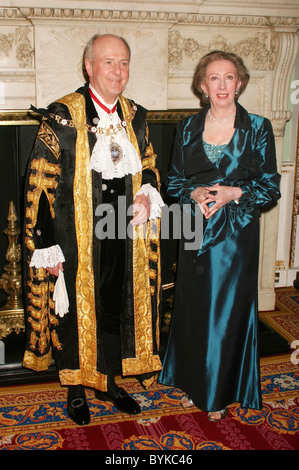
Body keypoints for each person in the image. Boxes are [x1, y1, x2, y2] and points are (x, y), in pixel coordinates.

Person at [23, 34, 164, 426]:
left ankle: (112, 381)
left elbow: (149, 161)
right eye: (108, 63)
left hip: (125, 234)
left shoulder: (135, 114)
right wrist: (48, 247)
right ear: (89, 66)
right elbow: (39, 185)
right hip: (77, 237)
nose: (117, 72)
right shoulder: (62, 114)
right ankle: (76, 389)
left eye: (123, 63)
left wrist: (147, 190)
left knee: (116, 305)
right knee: (78, 311)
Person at [159, 50, 281, 421]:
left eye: (229, 77)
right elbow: (175, 181)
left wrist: (234, 192)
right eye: (214, 78)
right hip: (195, 229)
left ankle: (218, 391)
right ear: (202, 85)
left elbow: (270, 186)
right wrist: (193, 193)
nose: (222, 85)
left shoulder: (257, 128)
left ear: (240, 83)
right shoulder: (187, 127)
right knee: (194, 311)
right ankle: (194, 382)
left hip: (235, 237)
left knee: (225, 314)